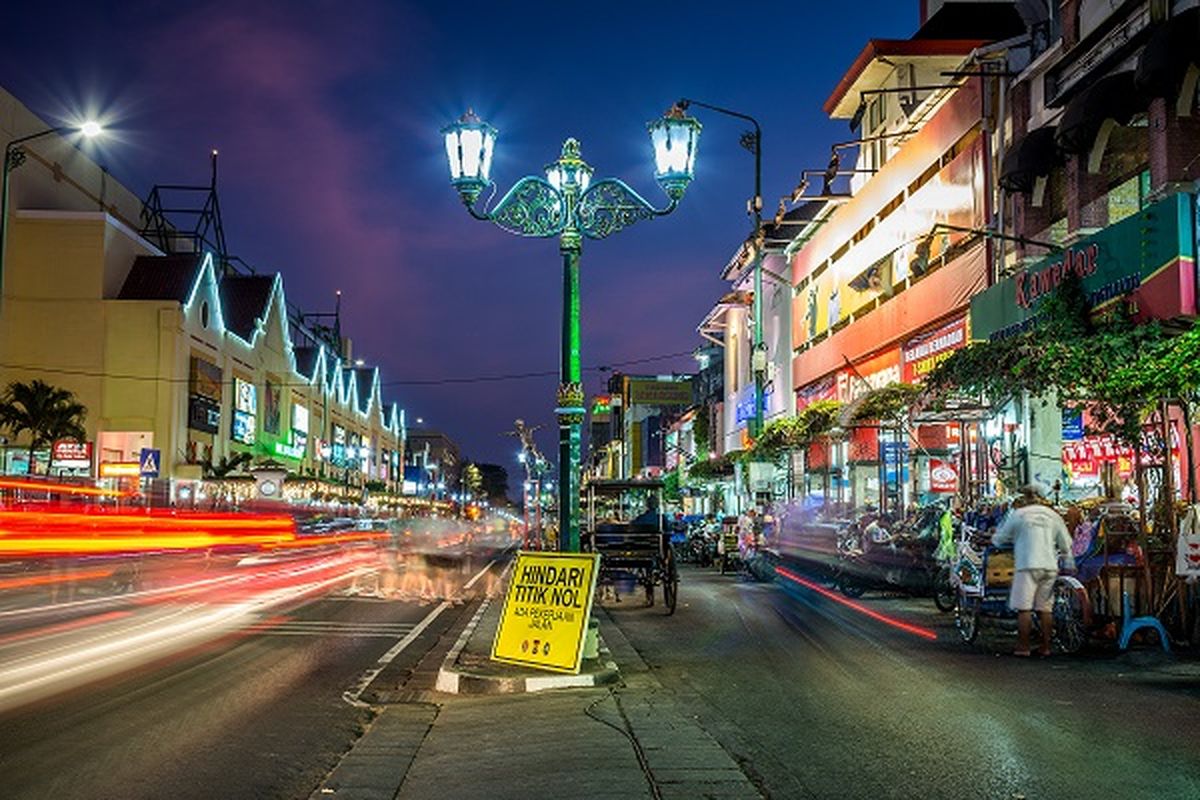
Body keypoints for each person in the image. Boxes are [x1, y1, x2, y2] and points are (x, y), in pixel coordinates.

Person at [992, 486, 1074, 657]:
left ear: (1025, 498)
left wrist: (998, 538)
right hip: (1049, 566)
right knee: (1045, 609)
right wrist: (1068, 562)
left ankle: (1023, 647)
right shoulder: (1053, 515)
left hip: (1027, 565)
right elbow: (1066, 543)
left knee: (1025, 609)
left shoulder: (1019, 515)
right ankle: (1046, 647)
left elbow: (1000, 540)